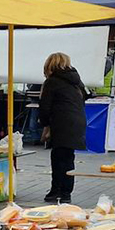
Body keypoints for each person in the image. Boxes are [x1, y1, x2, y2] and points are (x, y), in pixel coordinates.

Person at [38, 52, 87, 203]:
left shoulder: (52, 82)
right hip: (77, 121)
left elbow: (45, 107)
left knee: (58, 158)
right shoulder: (76, 80)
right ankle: (66, 192)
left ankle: (57, 191)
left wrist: (45, 125)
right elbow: (85, 96)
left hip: (61, 122)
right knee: (68, 158)